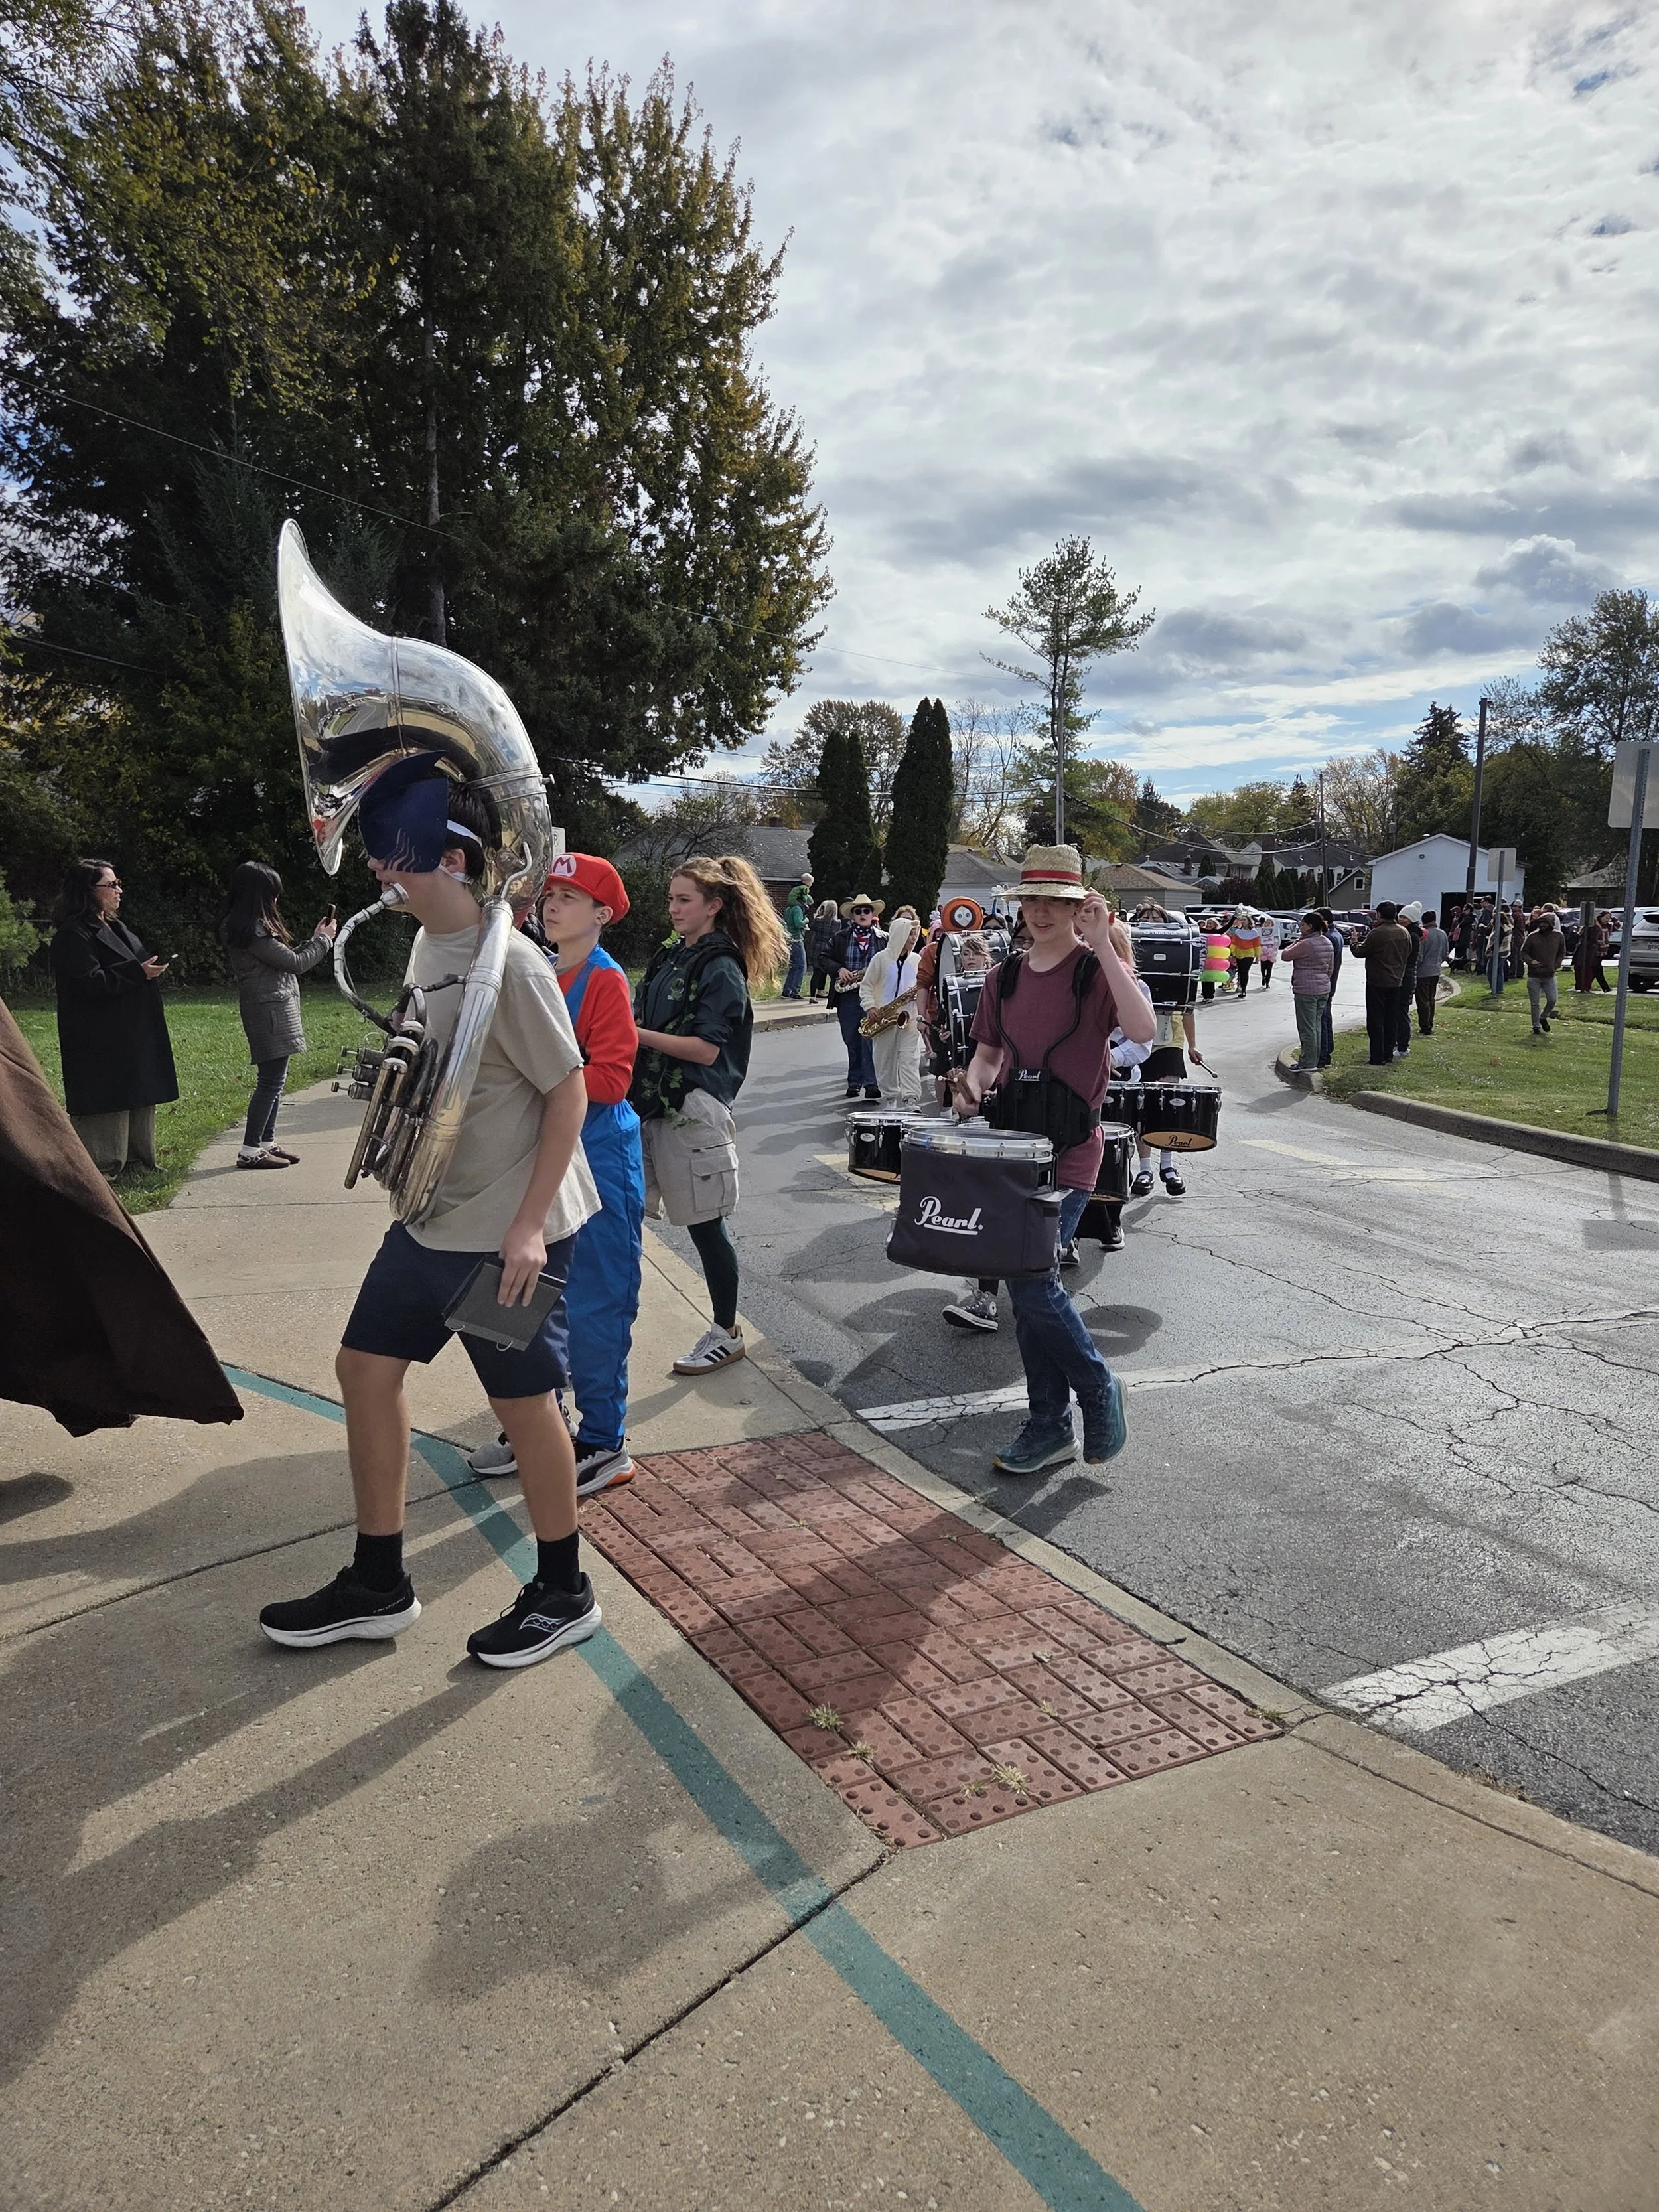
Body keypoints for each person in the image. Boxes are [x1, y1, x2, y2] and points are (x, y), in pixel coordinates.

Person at [259, 755, 604, 1668]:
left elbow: (568, 1093)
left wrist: (528, 1228)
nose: (378, 870)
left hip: (506, 1236)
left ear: (450, 860)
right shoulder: (426, 946)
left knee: (523, 1406)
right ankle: (379, 1581)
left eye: (391, 854)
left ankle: (564, 1591)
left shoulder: (513, 965)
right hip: (431, 1216)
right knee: (365, 1371)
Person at [957, 844, 1155, 1477]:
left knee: (1033, 1283)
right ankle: (1050, 1425)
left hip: (1070, 1154)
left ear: (1078, 907)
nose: (1041, 912)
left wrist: (1104, 947)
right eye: (1032, 901)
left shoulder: (1094, 972)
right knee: (1028, 1284)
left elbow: (1143, 1030)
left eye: (1056, 901)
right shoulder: (1004, 977)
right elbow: (988, 1055)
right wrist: (972, 1086)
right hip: (1013, 1151)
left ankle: (1093, 1390)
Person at [469, 853, 643, 1497]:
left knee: (595, 1303)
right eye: (551, 895)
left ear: (602, 915)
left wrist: (532, 1081)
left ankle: (603, 1441)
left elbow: (613, 1079)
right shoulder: (537, 969)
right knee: (519, 1296)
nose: (552, 904)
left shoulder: (605, 980)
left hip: (598, 1157)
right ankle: (537, 1425)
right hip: (539, 1154)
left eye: (569, 896)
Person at [632, 853, 786, 1376]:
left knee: (705, 1227)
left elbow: (705, 1049)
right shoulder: (672, 955)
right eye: (671, 898)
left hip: (693, 1109)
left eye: (685, 899)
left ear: (714, 905)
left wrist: (634, 1034)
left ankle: (726, 1332)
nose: (673, 908)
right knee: (623, 1213)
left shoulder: (721, 966)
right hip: (651, 1104)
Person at [48, 857, 179, 1177]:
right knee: (109, 1098)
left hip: (132, 1028)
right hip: (99, 1034)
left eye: (119, 883)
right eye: (111, 885)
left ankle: (139, 1161)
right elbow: (88, 982)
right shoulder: (73, 934)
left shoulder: (116, 926)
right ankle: (104, 1167)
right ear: (88, 891)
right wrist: (137, 972)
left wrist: (145, 971)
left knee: (140, 1091)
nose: (119, 890)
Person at [216, 861, 336, 1169]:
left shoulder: (247, 927)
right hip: (268, 1009)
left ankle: (266, 1142)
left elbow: (286, 959)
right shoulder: (251, 931)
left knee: (276, 1081)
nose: (276, 900)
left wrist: (316, 939)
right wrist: (324, 940)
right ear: (258, 895)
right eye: (272, 894)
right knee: (270, 1082)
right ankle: (249, 1151)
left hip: (273, 1006)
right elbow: (296, 963)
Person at [826, 892, 887, 1099]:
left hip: (874, 996)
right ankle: (854, 1082)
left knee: (869, 1038)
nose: (862, 914)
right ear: (852, 915)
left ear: (872, 914)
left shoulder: (884, 939)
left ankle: (871, 1084)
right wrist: (839, 969)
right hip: (849, 996)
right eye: (858, 911)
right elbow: (823, 958)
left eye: (866, 910)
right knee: (852, 1038)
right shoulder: (840, 938)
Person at [861, 909, 923, 1104]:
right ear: (899, 935)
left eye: (915, 934)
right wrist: (871, 1007)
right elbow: (867, 985)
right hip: (884, 1017)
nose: (914, 939)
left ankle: (911, 1098)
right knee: (885, 1060)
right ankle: (890, 1097)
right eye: (910, 934)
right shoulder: (881, 959)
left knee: (910, 1058)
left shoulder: (917, 960)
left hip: (909, 1017)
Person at [1350, 901, 1411, 1065]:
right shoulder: (1404, 932)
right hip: (1396, 981)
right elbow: (1409, 952)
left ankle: (1377, 1056)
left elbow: (1360, 952)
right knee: (1391, 1020)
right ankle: (1388, 1053)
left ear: (1379, 915)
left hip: (1377, 981)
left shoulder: (1377, 933)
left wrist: (1354, 941)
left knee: (1376, 1020)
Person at [1281, 911, 1334, 1069]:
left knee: (1307, 1028)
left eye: (1303, 925)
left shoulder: (1305, 944)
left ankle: (1307, 1062)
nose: (1300, 928)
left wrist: (1298, 940)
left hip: (1306, 990)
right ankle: (1315, 1060)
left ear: (1310, 926)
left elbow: (1285, 955)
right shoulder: (1327, 941)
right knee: (1316, 1025)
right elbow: (1330, 968)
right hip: (1323, 987)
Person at [1521, 905, 1566, 1035]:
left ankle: (1543, 1017)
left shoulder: (1558, 936)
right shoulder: (1532, 937)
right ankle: (1536, 1026)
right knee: (1535, 1003)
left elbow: (1562, 952)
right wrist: (1530, 961)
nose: (1542, 925)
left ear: (1551, 924)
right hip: (1534, 975)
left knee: (1552, 1000)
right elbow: (1524, 952)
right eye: (1540, 923)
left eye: (1545, 923)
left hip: (1550, 975)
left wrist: (1557, 964)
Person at [1394, 901, 1424, 1054]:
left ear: (1412, 920)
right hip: (1404, 976)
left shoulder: (1412, 936)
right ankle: (1398, 1042)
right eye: (1400, 916)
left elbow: (1405, 958)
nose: (1401, 920)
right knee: (1398, 1012)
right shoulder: (1406, 933)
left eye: (1405, 918)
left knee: (1402, 1013)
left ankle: (1403, 1046)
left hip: (1406, 977)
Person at [1415, 908, 1449, 1035]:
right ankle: (1430, 1022)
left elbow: (1419, 956)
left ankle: (1425, 1026)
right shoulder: (1442, 934)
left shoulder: (1423, 935)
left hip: (1423, 972)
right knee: (1431, 998)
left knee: (1422, 1000)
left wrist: (1414, 967)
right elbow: (1445, 952)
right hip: (1436, 970)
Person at [1317, 908, 1343, 1068]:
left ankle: (1323, 1055)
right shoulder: (1336, 934)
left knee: (1322, 1020)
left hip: (1325, 984)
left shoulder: (1328, 938)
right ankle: (1327, 1051)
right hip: (1330, 983)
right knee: (1326, 1018)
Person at [780, 873, 814, 999]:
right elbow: (799, 923)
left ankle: (787, 991)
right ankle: (795, 991)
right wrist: (806, 921)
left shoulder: (789, 908)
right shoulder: (797, 909)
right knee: (801, 966)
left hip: (789, 939)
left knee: (794, 967)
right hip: (797, 939)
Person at [805, 898, 841, 1001]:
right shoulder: (837, 923)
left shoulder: (818, 920)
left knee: (816, 974)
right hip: (829, 949)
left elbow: (812, 928)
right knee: (832, 975)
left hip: (817, 948)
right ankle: (831, 996)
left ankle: (812, 997)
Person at [1573, 906, 1611, 994]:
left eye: (1608, 918)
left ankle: (1588, 987)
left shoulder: (1605, 927)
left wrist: (1610, 916)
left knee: (1593, 970)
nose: (1607, 920)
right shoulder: (1594, 926)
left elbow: (1593, 939)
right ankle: (1603, 988)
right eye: (1606, 918)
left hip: (1597, 952)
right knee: (1593, 970)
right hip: (1593, 951)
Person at [1228, 908, 1261, 995]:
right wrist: (1232, 953)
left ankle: (1243, 989)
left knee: (1245, 971)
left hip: (1249, 954)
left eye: (1244, 920)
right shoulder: (1238, 932)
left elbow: (1257, 946)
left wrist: (1258, 957)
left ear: (1249, 922)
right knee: (1241, 971)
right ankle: (1240, 985)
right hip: (1239, 954)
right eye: (1241, 920)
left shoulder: (1254, 933)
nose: (1242, 921)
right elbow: (1234, 944)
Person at [1258, 914, 1278, 988]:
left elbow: (1278, 941)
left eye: (1270, 923)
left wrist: (1275, 945)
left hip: (1271, 953)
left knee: (1269, 968)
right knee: (1263, 967)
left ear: (1272, 924)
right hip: (1263, 952)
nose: (1268, 924)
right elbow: (1259, 940)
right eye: (1267, 923)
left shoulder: (1275, 932)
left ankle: (1268, 983)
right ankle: (1264, 977)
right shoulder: (1261, 931)